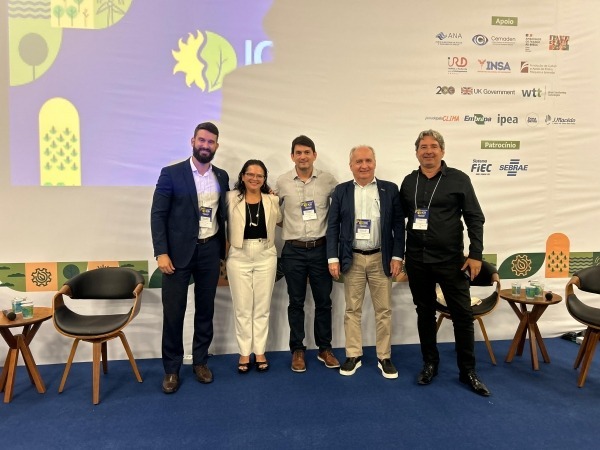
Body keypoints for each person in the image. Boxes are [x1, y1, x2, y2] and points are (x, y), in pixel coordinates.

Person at [400, 129, 490, 396]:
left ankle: (468, 371)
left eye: (433, 146)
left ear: (442, 151)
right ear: (416, 152)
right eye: (423, 147)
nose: (428, 151)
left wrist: (476, 254)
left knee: (462, 315)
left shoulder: (459, 179)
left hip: (451, 261)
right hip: (417, 260)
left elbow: (475, 217)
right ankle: (430, 363)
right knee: (424, 312)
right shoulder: (409, 182)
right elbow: (397, 219)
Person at [151, 122, 229, 394]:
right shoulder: (171, 173)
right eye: (202, 140)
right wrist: (161, 252)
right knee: (174, 313)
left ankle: (200, 362)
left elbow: (228, 209)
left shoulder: (221, 176)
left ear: (216, 146)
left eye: (211, 142)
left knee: (205, 310)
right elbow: (158, 214)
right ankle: (172, 369)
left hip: (210, 251)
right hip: (176, 254)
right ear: (193, 141)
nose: (206, 145)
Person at [326, 145, 405, 378]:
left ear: (375, 163)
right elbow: (332, 226)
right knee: (352, 310)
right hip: (353, 259)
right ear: (350, 165)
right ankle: (353, 355)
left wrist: (397, 256)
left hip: (382, 258)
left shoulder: (390, 189)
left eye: (368, 160)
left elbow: (398, 225)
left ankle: (384, 356)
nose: (364, 166)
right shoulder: (341, 191)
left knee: (384, 310)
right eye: (358, 161)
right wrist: (333, 257)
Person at [275, 135, 340, 372]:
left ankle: (325, 348)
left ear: (314, 155)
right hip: (293, 251)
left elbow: (340, 209)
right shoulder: (282, 181)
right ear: (292, 156)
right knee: (296, 302)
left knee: (324, 302)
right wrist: (291, 227)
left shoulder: (328, 180)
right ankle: (298, 350)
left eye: (307, 152)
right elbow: (273, 212)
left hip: (321, 249)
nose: (303, 157)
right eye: (298, 153)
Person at [226, 159, 282, 373]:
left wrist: (275, 197)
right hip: (238, 254)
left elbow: (281, 221)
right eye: (250, 174)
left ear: (264, 179)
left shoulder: (272, 200)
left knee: (262, 307)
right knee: (242, 308)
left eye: (259, 175)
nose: (254, 178)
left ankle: (259, 351)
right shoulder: (230, 198)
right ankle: (243, 352)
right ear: (242, 176)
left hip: (265, 254)